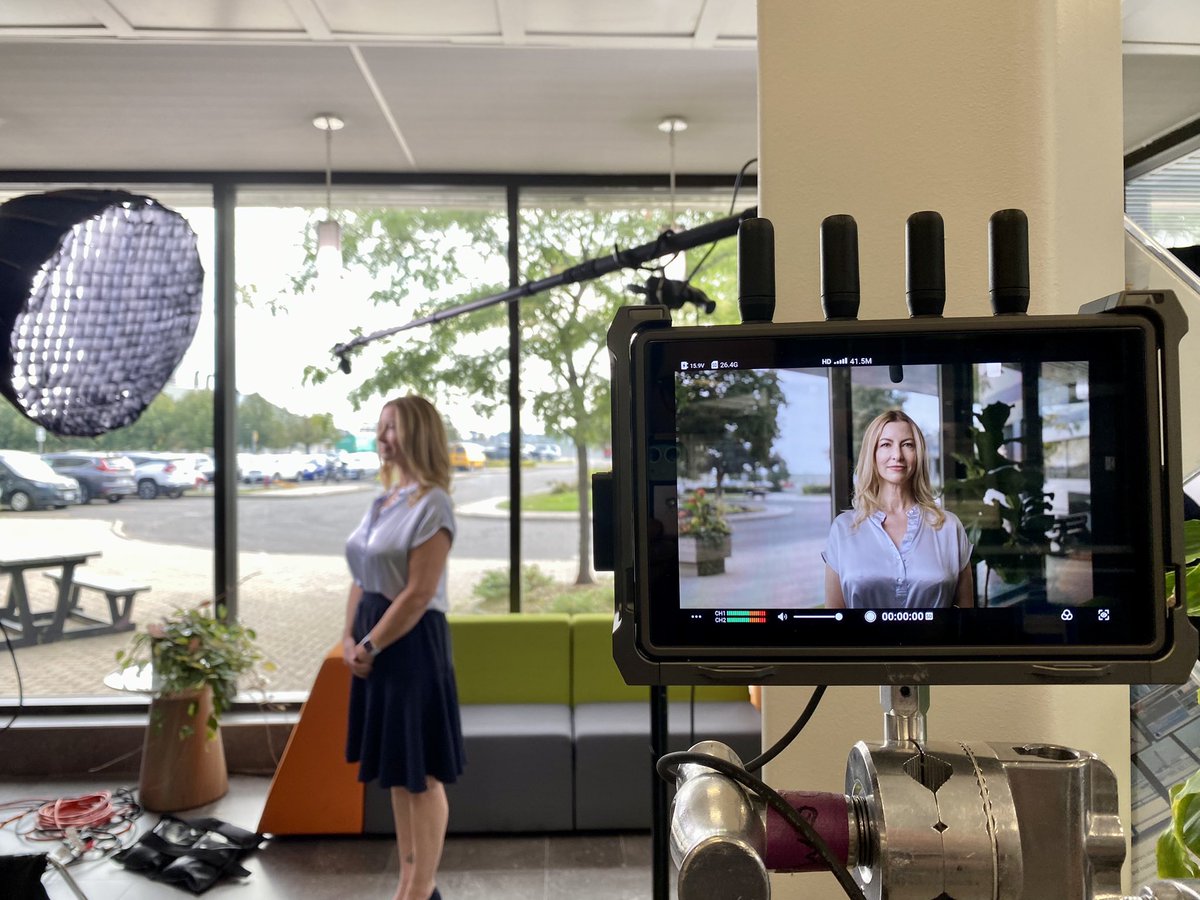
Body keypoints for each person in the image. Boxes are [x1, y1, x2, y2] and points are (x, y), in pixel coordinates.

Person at [343, 395, 464, 900]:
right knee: (398, 771)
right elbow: (360, 576)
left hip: (410, 646)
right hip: (375, 641)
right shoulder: (384, 500)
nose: (382, 437)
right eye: (380, 427)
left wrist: (368, 642)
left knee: (424, 774)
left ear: (416, 433)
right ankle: (408, 883)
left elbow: (417, 595)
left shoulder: (434, 502)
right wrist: (347, 639)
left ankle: (420, 888)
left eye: (391, 427)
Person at [824, 409, 974, 609]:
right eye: (886, 444)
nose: (897, 455)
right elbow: (834, 623)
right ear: (873, 454)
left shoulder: (949, 526)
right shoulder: (843, 528)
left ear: (918, 454)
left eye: (907, 445)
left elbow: (967, 618)